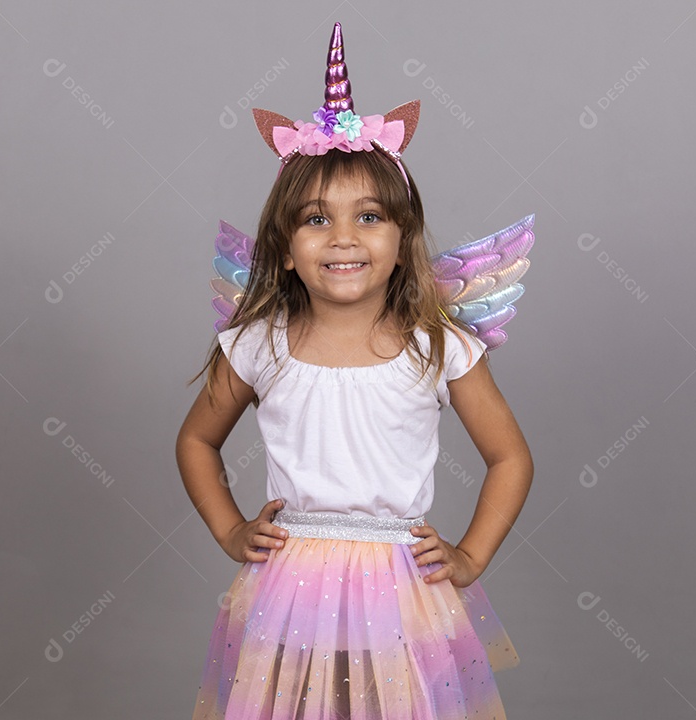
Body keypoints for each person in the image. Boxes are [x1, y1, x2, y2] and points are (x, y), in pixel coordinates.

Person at [177, 22, 534, 719]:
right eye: (316, 220)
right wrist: (229, 530)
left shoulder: (438, 345)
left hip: (399, 587)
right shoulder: (259, 344)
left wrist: (470, 556)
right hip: (290, 586)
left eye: (370, 216)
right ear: (282, 249)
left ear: (404, 243)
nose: (344, 237)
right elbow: (196, 441)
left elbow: (509, 456)